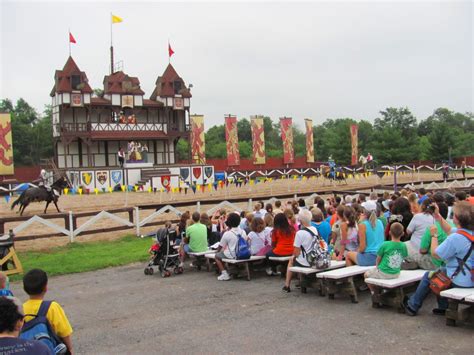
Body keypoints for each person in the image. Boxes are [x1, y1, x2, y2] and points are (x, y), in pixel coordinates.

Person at [403, 201, 473, 316]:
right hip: (470, 276)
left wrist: (434, 235)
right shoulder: (469, 233)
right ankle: (443, 307)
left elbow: (436, 254)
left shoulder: (456, 238)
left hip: (461, 280)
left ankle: (412, 305)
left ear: (458, 219)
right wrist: (437, 215)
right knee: (441, 271)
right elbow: (449, 229)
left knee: (430, 276)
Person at [22, 269, 73, 354]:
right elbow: (64, 332)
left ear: (25, 289)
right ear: (45, 287)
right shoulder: (52, 307)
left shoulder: (20, 308)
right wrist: (70, 349)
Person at [364, 222, 408, 293]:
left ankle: (374, 292)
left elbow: (378, 258)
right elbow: (404, 257)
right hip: (396, 273)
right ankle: (383, 290)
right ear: (402, 233)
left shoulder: (385, 244)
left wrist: (377, 267)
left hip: (384, 272)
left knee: (366, 275)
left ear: (390, 233)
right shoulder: (403, 245)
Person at [282, 210, 319, 292]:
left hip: (306, 261)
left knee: (291, 261)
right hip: (315, 257)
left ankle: (287, 285)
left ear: (300, 220)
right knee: (295, 258)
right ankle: (300, 281)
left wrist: (293, 256)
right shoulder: (314, 229)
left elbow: (296, 252)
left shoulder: (300, 233)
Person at [404, 199, 436, 269]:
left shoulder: (417, 216)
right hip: (428, 249)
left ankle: (410, 262)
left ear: (423, 206)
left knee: (403, 245)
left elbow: (408, 231)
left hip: (415, 247)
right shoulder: (434, 219)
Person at [419, 202, 451, 270]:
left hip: (436, 263)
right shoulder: (453, 226)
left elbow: (423, 250)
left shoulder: (431, 228)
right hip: (449, 261)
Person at [214, 213, 246, 281]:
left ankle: (224, 273)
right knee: (224, 252)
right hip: (242, 252)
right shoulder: (243, 231)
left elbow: (220, 246)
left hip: (232, 254)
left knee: (217, 256)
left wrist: (217, 251)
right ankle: (236, 270)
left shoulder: (227, 233)